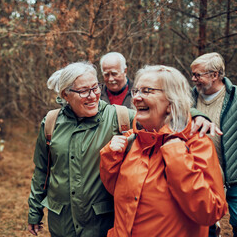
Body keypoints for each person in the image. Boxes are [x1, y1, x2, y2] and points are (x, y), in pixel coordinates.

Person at [27, 61, 220, 237]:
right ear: (65, 95)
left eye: (95, 87)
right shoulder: (51, 123)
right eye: (84, 91)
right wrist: (35, 211)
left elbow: (161, 114)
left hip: (99, 225)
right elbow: (42, 172)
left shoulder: (118, 117)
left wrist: (196, 115)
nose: (93, 95)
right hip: (63, 224)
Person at [100, 65, 227, 237]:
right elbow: (117, 191)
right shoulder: (132, 140)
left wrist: (176, 156)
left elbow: (210, 212)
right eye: (136, 90)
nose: (136, 97)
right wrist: (111, 157)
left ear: (171, 102)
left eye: (147, 91)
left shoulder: (196, 144)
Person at [190, 52, 237, 236]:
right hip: (201, 177)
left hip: (234, 179)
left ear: (214, 75)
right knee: (204, 229)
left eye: (197, 75)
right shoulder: (187, 99)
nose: (193, 79)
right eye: (193, 74)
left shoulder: (234, 97)